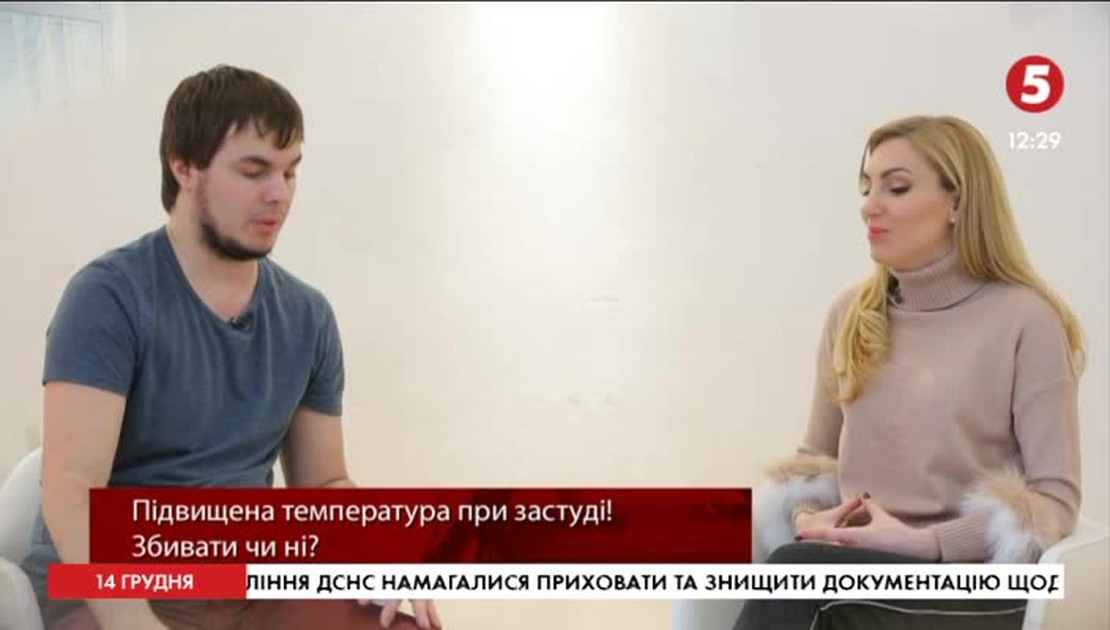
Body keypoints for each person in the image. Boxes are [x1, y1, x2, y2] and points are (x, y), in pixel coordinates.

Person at [20, 64, 442, 630]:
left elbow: (323, 484)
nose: (279, 194)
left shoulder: (308, 316)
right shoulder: (109, 298)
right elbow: (73, 491)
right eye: (253, 171)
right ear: (184, 167)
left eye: (290, 171)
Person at [735, 115, 1084, 629]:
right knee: (784, 565)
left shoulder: (1026, 320)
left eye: (896, 188)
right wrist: (809, 516)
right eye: (866, 188)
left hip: (969, 584)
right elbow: (813, 461)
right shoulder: (851, 314)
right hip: (852, 569)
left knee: (797, 573)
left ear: (957, 202)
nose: (869, 205)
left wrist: (925, 543)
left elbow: (1055, 501)